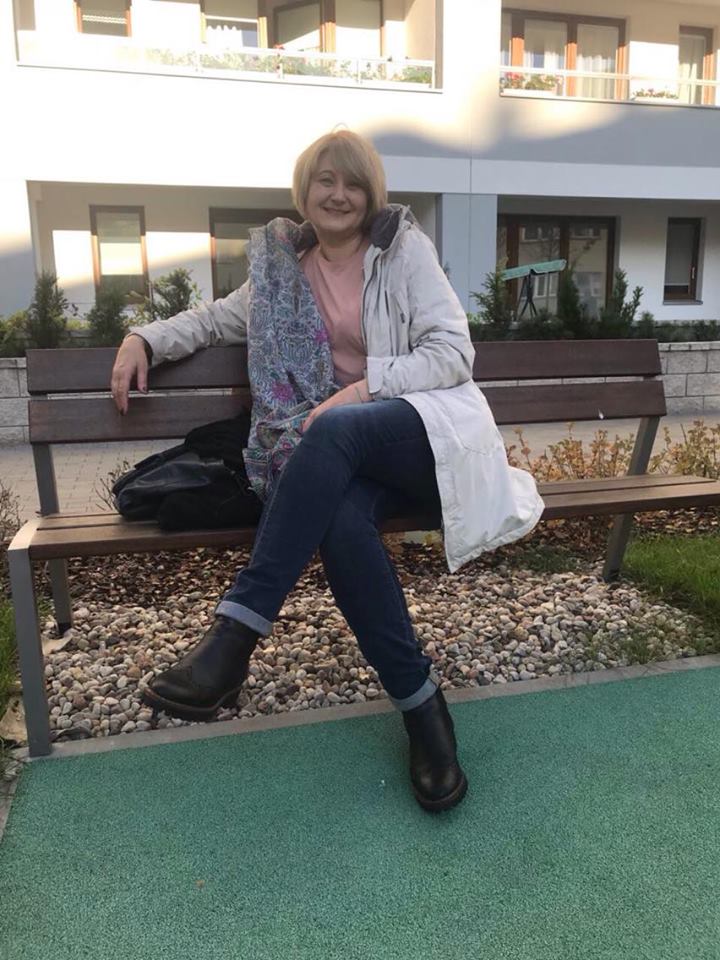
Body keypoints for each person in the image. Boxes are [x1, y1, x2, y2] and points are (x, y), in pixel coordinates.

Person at [110, 129, 544, 813]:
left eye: (353, 183)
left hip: (422, 436)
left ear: (371, 195)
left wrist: (363, 390)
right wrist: (142, 337)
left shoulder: (402, 251)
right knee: (341, 524)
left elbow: (453, 354)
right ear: (305, 191)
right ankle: (422, 707)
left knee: (333, 427)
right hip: (341, 457)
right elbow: (215, 319)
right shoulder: (284, 271)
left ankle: (236, 635)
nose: (339, 195)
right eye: (325, 181)